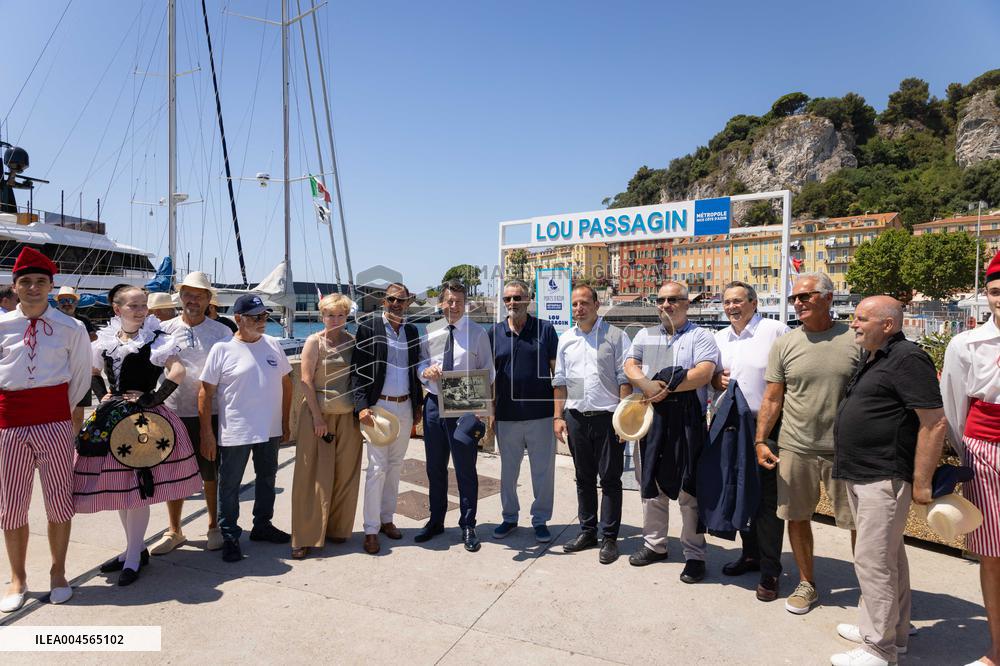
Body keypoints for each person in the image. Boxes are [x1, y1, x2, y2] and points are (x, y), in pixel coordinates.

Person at [830, 296, 945, 666]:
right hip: (863, 472)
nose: (854, 324)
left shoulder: (908, 358)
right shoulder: (876, 356)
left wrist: (922, 480)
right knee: (888, 556)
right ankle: (891, 629)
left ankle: (878, 648)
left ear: (888, 325)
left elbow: (934, 422)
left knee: (873, 561)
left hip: (884, 476)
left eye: (862, 319)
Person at [73, 285, 203, 586]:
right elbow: (93, 371)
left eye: (143, 305)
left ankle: (132, 556)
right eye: (134, 306)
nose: (141, 310)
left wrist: (152, 399)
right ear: (117, 309)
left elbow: (177, 372)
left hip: (145, 419)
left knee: (137, 488)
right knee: (122, 487)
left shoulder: (157, 338)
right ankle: (135, 549)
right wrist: (103, 394)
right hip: (113, 417)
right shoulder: (106, 340)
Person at [755, 272, 860, 615]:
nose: (797, 303)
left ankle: (872, 590)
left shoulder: (856, 340)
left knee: (860, 523)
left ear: (829, 298)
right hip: (796, 446)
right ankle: (807, 583)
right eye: (794, 299)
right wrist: (760, 440)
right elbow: (772, 398)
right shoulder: (785, 344)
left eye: (805, 296)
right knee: (796, 517)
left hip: (846, 449)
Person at [0, 247, 91, 612]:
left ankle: (58, 572)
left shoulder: (72, 327)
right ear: (15, 286)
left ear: (51, 286)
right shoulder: (2, 326)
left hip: (54, 423)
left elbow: (81, 377)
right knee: (11, 507)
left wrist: (59, 413)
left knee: (59, 502)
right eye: (26, 282)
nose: (34, 288)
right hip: (9, 426)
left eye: (41, 282)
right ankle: (18, 577)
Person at [624, 281, 720, 582]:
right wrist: (648, 385)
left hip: (687, 416)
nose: (666, 305)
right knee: (649, 481)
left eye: (673, 300)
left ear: (686, 304)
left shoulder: (701, 335)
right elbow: (630, 364)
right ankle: (655, 544)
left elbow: (705, 372)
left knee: (688, 489)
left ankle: (694, 554)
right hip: (651, 413)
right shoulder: (643, 334)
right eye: (661, 300)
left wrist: (667, 385)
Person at [199, 294, 293, 563]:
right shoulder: (223, 348)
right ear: (239, 319)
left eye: (264, 316)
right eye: (256, 317)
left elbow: (287, 383)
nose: (263, 321)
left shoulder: (273, 344)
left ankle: (262, 526)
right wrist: (207, 432)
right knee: (229, 485)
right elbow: (205, 392)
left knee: (267, 479)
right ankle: (229, 535)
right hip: (236, 430)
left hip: (270, 428)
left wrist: (285, 422)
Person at [711, 281, 789, 601]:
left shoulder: (775, 331)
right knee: (741, 492)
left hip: (768, 426)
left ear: (754, 303)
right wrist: (717, 379)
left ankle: (771, 571)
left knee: (768, 502)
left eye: (738, 301)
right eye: (727, 302)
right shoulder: (719, 338)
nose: (732, 307)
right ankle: (751, 554)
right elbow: (712, 379)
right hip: (732, 425)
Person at [942, 250, 1000, 666]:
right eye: (996, 291)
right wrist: (969, 452)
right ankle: (998, 647)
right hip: (985, 449)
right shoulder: (966, 343)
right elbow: (953, 406)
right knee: (991, 553)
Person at [148, 272, 232, 555]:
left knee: (211, 470)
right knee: (173, 473)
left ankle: (213, 526)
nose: (192, 300)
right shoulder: (163, 329)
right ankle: (174, 530)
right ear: (180, 296)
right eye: (188, 294)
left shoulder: (222, 332)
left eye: (199, 295)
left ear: (209, 300)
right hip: (171, 411)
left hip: (211, 411)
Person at [554, 284, 631, 564]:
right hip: (575, 418)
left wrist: (624, 420)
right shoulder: (566, 339)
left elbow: (626, 379)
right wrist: (558, 417)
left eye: (584, 303)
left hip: (608, 419)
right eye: (575, 304)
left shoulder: (616, 337)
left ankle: (609, 537)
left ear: (597, 304)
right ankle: (588, 532)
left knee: (610, 479)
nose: (579, 308)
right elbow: (560, 381)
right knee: (583, 478)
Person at [416, 279, 494, 552]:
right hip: (435, 405)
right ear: (441, 302)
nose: (454, 306)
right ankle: (436, 521)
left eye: (459, 302)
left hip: (465, 407)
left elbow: (488, 371)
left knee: (465, 470)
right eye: (449, 301)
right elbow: (421, 363)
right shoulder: (430, 331)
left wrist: (483, 411)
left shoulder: (478, 333)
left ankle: (468, 524)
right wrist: (425, 371)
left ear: (466, 304)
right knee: (434, 468)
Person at [351, 283, 423, 555]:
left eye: (401, 301)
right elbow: (357, 370)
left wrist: (417, 406)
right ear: (384, 301)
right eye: (392, 299)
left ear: (407, 304)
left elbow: (415, 370)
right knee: (376, 469)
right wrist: (362, 406)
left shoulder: (412, 331)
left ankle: (386, 519)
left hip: (404, 405)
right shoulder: (369, 328)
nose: (396, 304)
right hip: (378, 408)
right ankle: (370, 530)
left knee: (395, 466)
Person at [291, 293, 363, 559]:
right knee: (311, 477)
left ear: (347, 316)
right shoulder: (314, 342)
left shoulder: (352, 342)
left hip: (348, 418)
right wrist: (317, 417)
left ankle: (337, 529)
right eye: (330, 315)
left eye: (340, 315)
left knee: (345, 475)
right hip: (318, 417)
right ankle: (304, 536)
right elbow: (306, 381)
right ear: (322, 316)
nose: (335, 319)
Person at [490, 279, 559, 543]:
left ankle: (540, 520)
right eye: (507, 299)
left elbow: (558, 375)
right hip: (507, 417)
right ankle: (509, 518)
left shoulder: (545, 330)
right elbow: (489, 378)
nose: (512, 303)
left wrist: (557, 415)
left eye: (517, 298)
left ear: (528, 300)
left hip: (541, 416)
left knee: (543, 472)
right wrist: (490, 413)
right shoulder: (494, 333)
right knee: (508, 472)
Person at [55, 285, 99, 433]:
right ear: (58, 303)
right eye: (63, 301)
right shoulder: (51, 320)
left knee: (79, 408)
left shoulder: (83, 320)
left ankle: (76, 438)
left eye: (70, 300)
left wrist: (76, 340)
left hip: (80, 368)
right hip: (57, 370)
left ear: (75, 302)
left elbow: (94, 336)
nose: (67, 303)